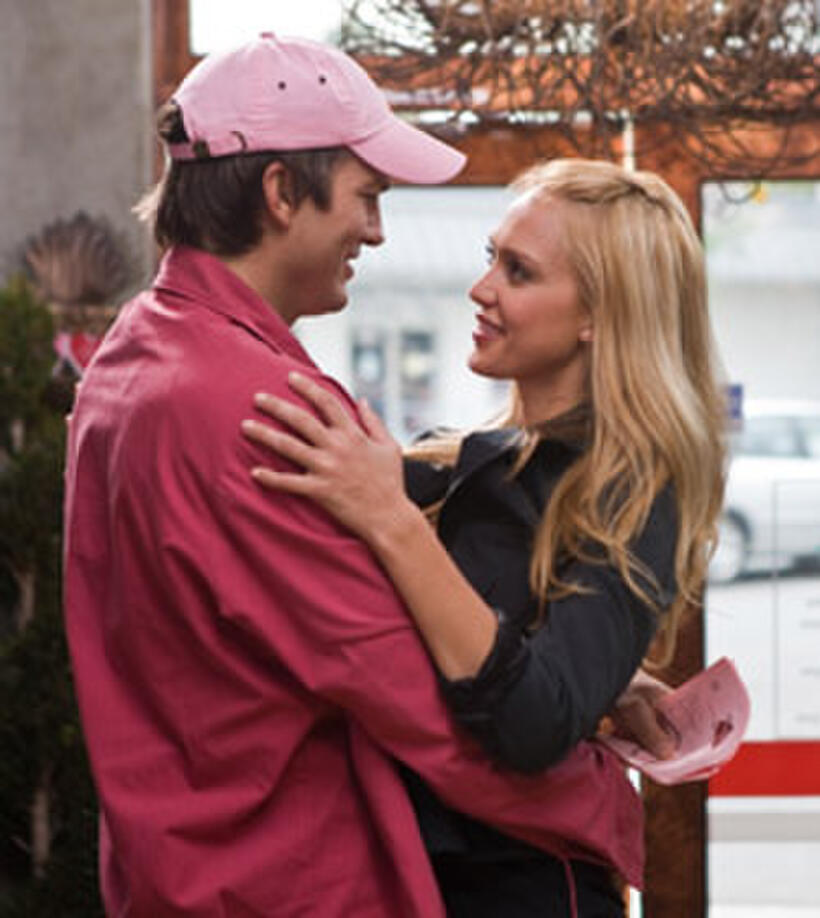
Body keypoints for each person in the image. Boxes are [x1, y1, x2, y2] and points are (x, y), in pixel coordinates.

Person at [63, 35, 672, 917]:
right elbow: (405, 691)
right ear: (280, 194)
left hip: (177, 869)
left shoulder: (137, 351)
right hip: (288, 879)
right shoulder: (263, 407)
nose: (379, 230)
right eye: (367, 195)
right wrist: (598, 801)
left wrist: (589, 677)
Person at [240, 157, 728, 916]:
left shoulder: (632, 491)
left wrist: (394, 524)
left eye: (520, 271)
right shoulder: (446, 462)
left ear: (602, 314)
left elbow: (532, 723)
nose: (482, 289)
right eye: (490, 259)